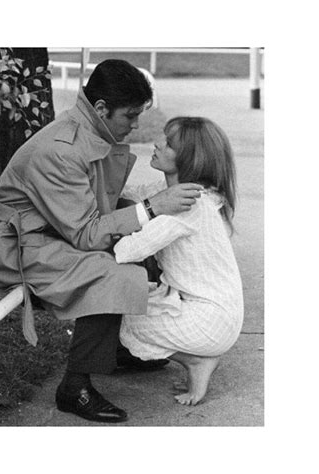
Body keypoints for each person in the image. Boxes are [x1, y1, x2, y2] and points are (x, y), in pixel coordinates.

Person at [0, 60, 203, 423]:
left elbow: (97, 206)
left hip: (50, 231)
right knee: (109, 271)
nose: (135, 125)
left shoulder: (89, 129)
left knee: (139, 241)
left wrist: (144, 215)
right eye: (130, 116)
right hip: (16, 247)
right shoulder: (61, 148)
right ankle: (74, 388)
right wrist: (149, 208)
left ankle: (113, 350)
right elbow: (85, 234)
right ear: (101, 108)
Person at [114, 116, 244, 406]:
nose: (157, 144)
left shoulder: (188, 205)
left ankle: (197, 361)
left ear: (190, 159)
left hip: (210, 321)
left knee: (127, 321)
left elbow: (126, 250)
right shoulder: (189, 193)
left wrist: (95, 234)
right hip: (215, 312)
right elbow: (134, 196)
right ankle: (196, 359)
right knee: (132, 304)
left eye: (168, 144)